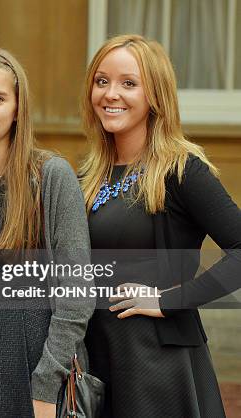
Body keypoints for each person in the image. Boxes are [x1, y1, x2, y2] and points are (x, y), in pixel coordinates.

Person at [80, 34, 240, 418]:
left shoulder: (182, 170)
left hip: (157, 366)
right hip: (97, 362)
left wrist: (169, 300)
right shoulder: (88, 175)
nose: (111, 94)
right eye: (102, 81)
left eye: (128, 83)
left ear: (155, 95)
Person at [0, 48, 94, 418]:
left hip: (33, 376)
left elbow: (77, 294)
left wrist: (46, 386)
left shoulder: (51, 176)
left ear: (17, 110)